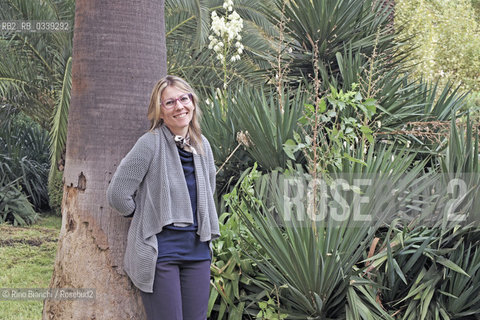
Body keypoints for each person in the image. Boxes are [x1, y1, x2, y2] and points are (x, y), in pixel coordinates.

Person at [106, 75, 220, 320]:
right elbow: (117, 193)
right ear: (160, 112)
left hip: (198, 250)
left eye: (184, 98)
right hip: (161, 253)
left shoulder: (203, 145)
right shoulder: (150, 143)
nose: (179, 106)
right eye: (169, 103)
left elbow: (208, 192)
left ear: (192, 102)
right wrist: (142, 213)